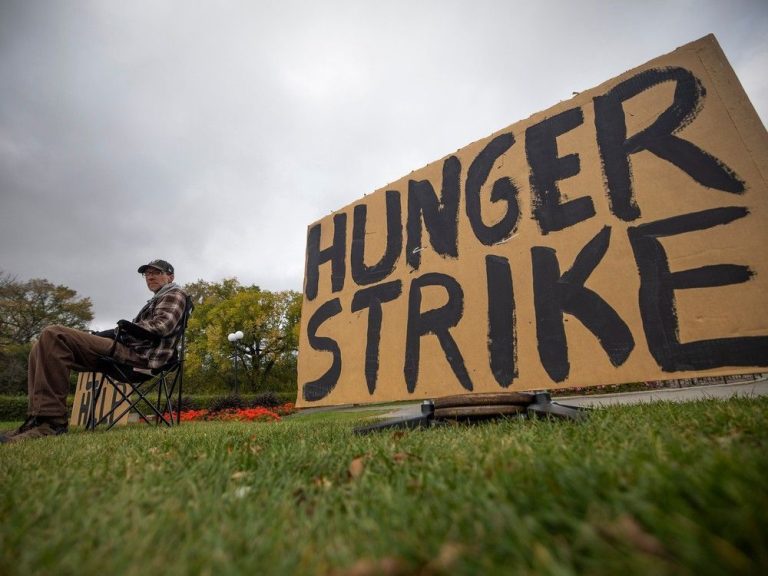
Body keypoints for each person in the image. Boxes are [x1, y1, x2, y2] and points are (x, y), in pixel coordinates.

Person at [1, 259, 188, 444]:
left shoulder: (174, 293)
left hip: (140, 359)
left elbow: (161, 326)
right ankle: (37, 420)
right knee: (41, 347)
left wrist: (119, 330)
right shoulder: (156, 299)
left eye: (156, 272)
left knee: (54, 334)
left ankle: (51, 423)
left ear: (170, 277)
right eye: (147, 274)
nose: (150, 277)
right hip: (127, 352)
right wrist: (106, 334)